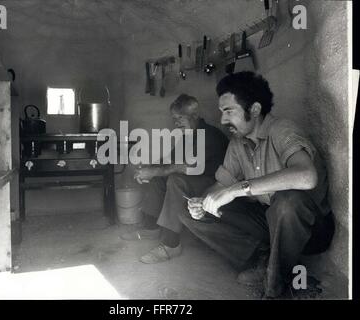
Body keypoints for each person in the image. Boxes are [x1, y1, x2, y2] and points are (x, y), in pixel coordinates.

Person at [181, 72, 335, 299]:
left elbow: (306, 176)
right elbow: (220, 184)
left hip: (311, 228)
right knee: (198, 209)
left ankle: (275, 288)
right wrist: (203, 202)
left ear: (253, 109)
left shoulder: (282, 130)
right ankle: (263, 258)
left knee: (287, 202)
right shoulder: (237, 143)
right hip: (269, 220)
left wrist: (236, 190)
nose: (223, 120)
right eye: (222, 112)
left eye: (229, 111)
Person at [120, 94, 229, 264]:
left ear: (193, 116)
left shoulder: (209, 135)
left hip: (214, 183)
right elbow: (170, 160)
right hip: (194, 178)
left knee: (175, 180)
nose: (176, 123)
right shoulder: (187, 135)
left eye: (180, 118)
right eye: (174, 118)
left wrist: (155, 170)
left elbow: (185, 166)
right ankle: (151, 229)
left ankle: (171, 245)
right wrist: (149, 169)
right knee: (158, 179)